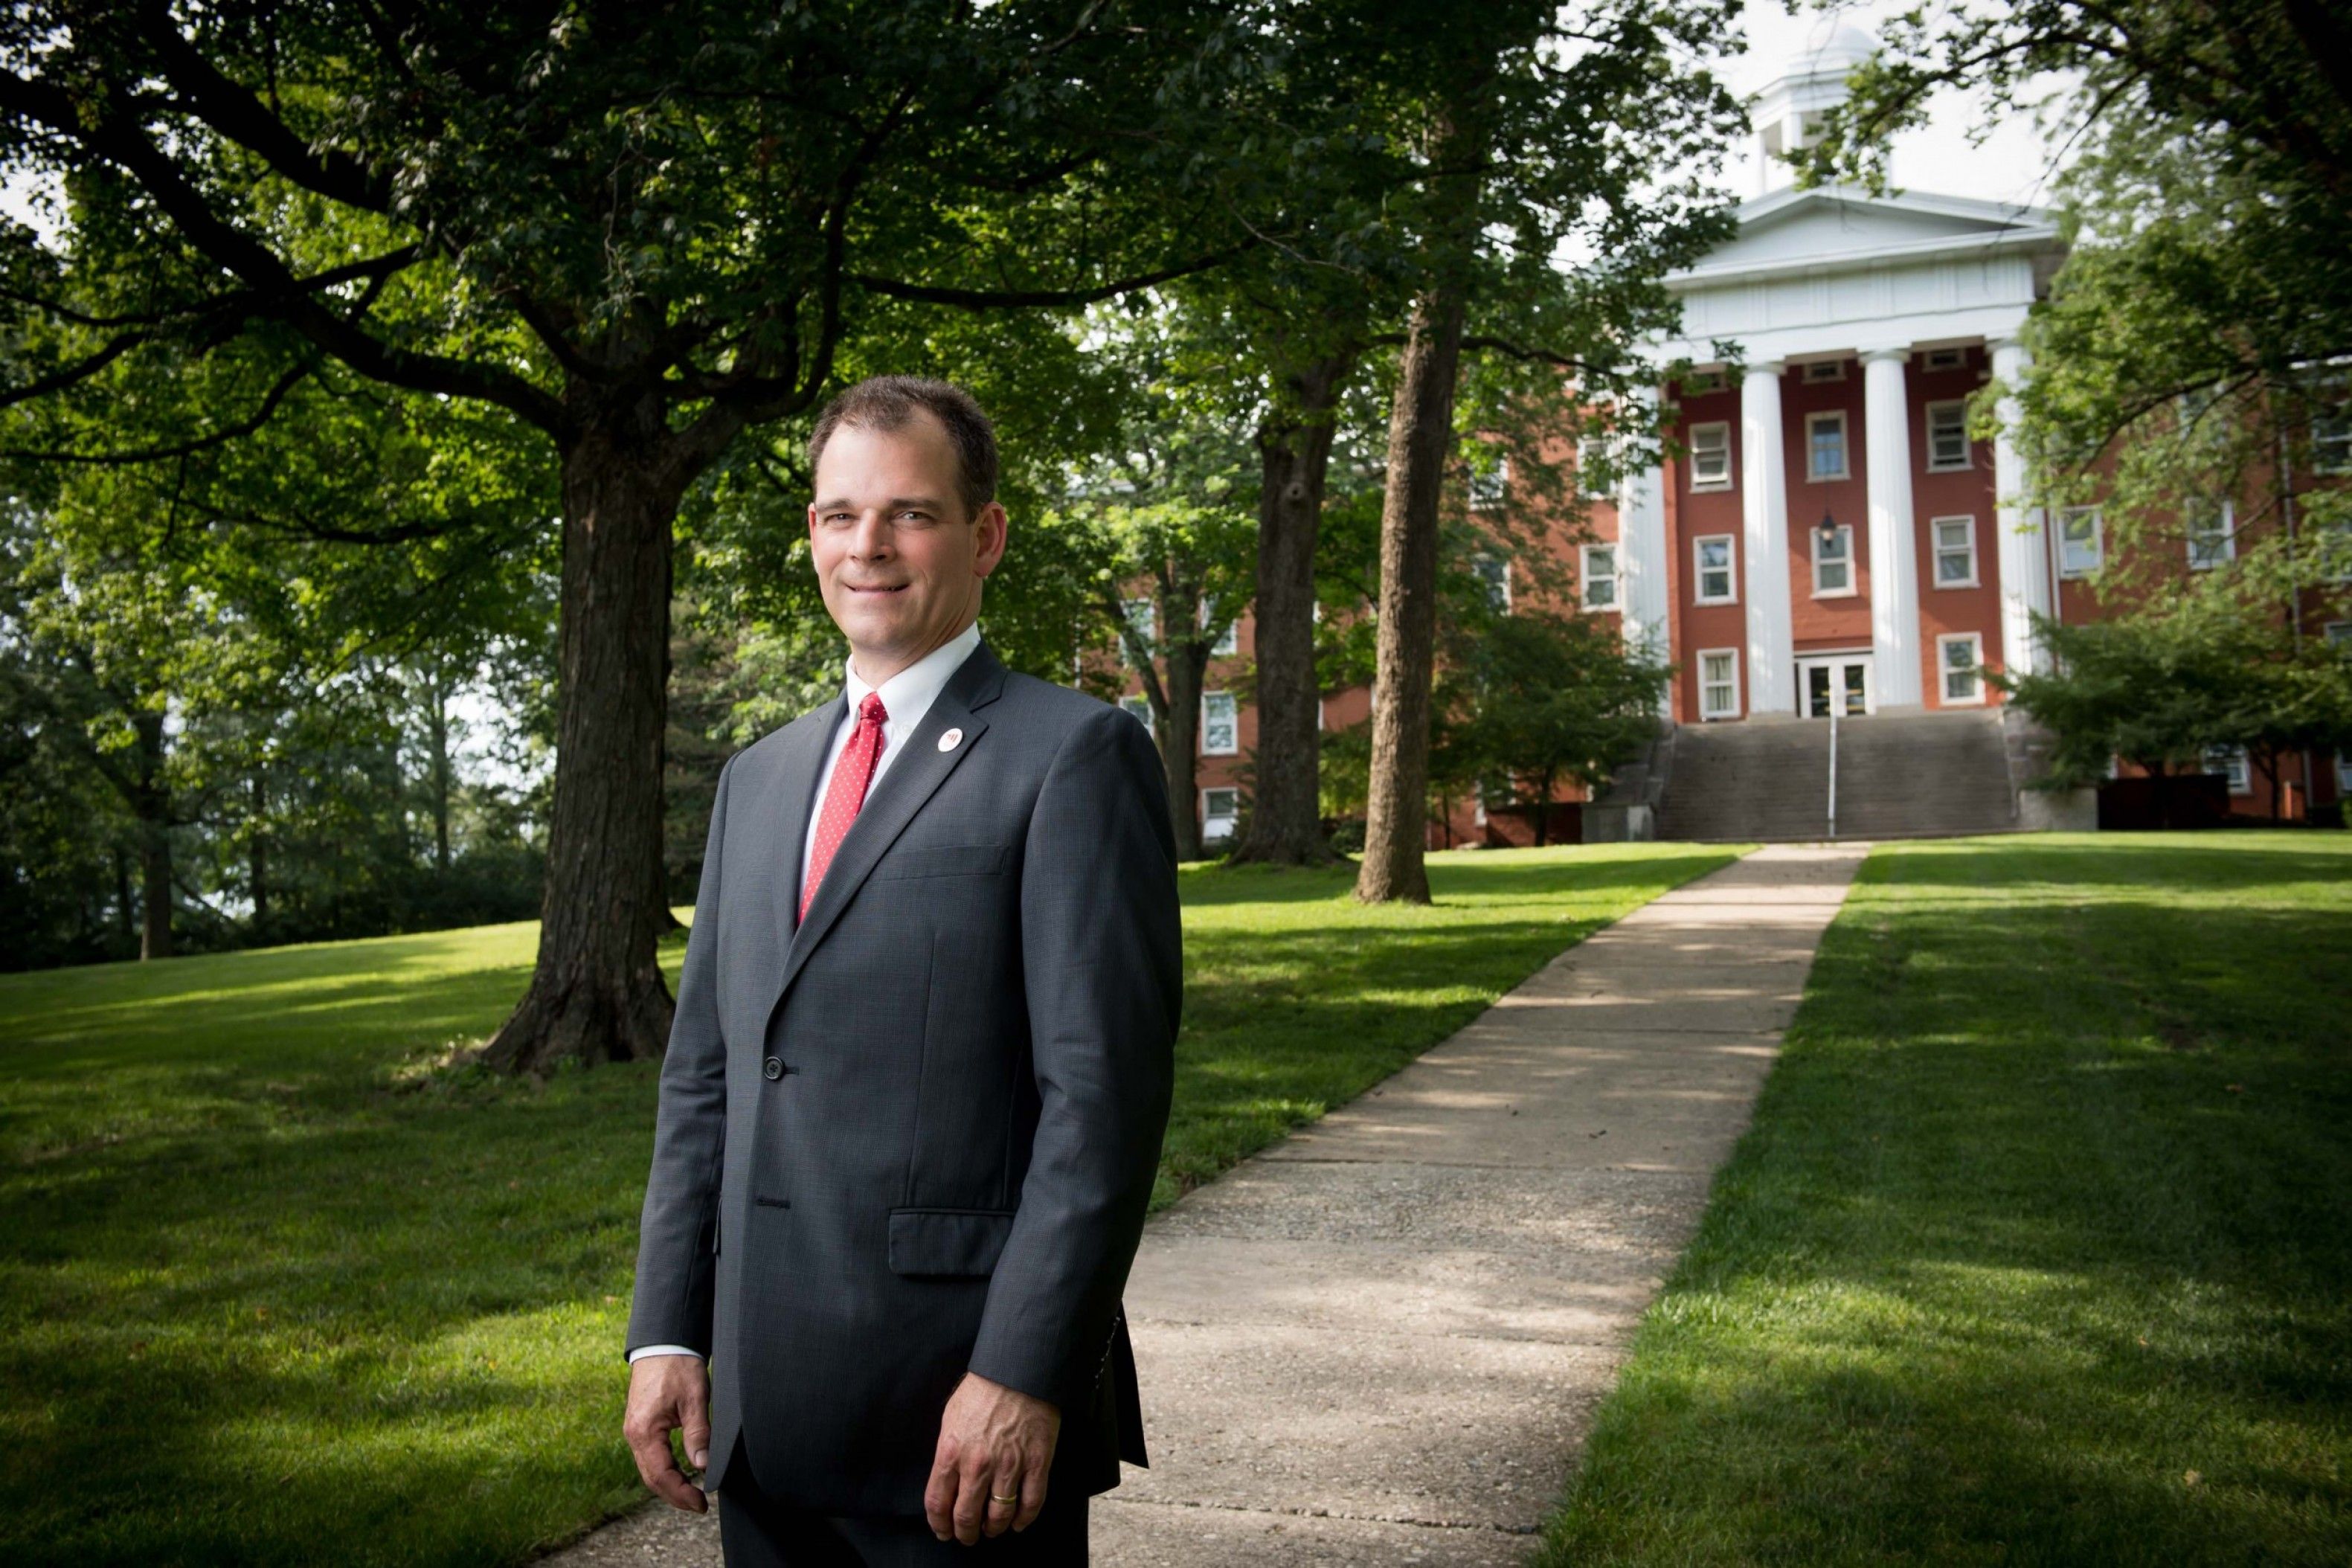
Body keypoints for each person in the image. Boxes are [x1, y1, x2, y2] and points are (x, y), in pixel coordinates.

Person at [620, 376, 1181, 1565]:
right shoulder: (756, 781)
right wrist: (665, 1332)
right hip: (764, 1418)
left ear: (984, 537)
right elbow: (706, 1082)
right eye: (838, 515)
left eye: (908, 514)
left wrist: (1022, 1371)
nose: (867, 546)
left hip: (955, 1424)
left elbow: (1102, 1108)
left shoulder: (1072, 756)